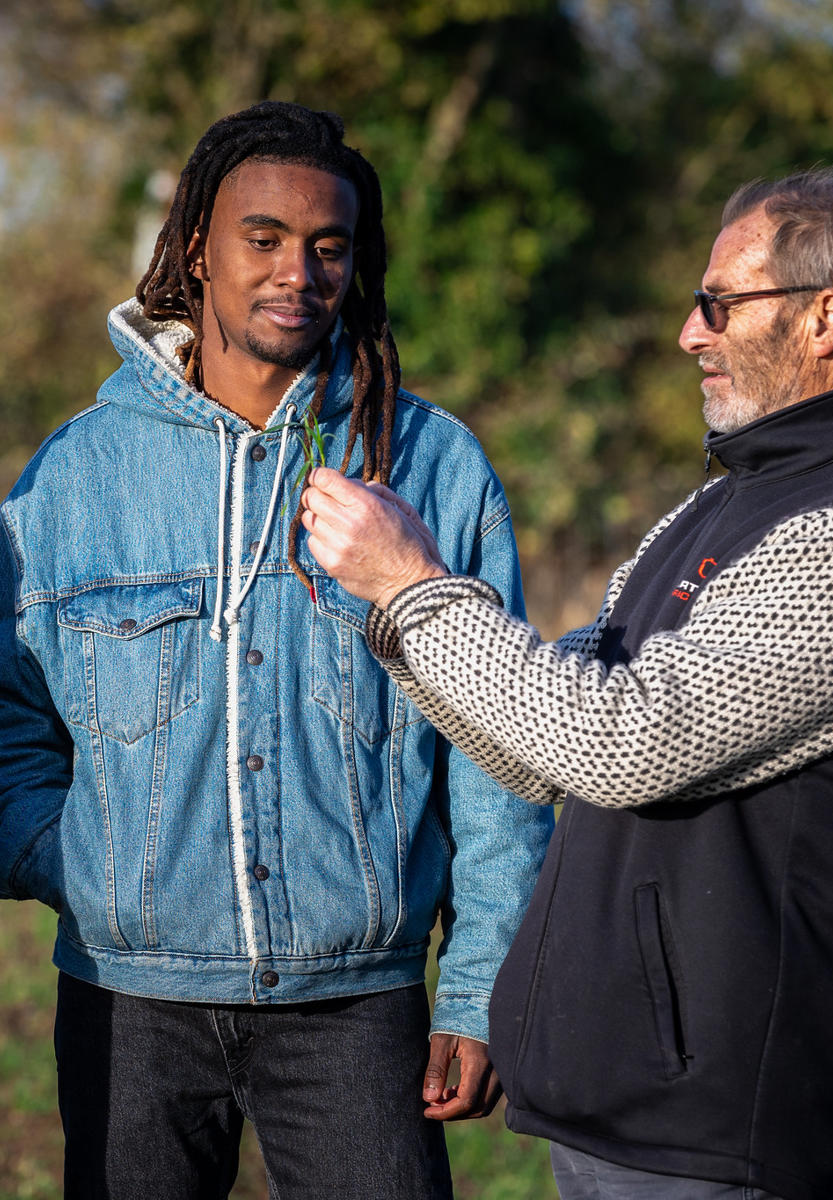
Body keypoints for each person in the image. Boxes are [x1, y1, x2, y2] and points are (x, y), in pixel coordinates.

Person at [301, 166, 833, 1200]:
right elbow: (539, 744)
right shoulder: (721, 506)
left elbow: (618, 742)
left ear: (826, 318)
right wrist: (399, 618)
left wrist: (417, 584)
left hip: (721, 1125)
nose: (687, 335)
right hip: (635, 1103)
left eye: (718, 302)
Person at [0, 100, 552, 1199]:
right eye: (264, 238)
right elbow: (11, 723)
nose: (297, 270)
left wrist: (480, 984)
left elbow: (496, 747)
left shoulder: (430, 467)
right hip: (127, 1004)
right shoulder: (71, 480)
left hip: (358, 1008)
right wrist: (84, 869)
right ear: (198, 246)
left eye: (328, 245)